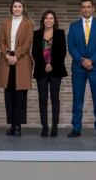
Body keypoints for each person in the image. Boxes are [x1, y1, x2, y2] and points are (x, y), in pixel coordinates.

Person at [67, 0, 96, 138]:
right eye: (83, 7)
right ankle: (76, 128)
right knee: (77, 98)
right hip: (79, 67)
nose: (86, 9)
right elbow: (71, 46)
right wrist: (82, 60)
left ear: (93, 8)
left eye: (89, 7)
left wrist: (91, 60)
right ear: (80, 9)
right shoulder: (73, 26)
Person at [0, 0, 34, 137]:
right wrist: (7, 55)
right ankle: (11, 125)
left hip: (21, 61)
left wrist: (15, 55)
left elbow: (28, 43)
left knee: (20, 96)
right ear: (11, 8)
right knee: (9, 95)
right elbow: (2, 41)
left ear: (23, 8)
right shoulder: (6, 22)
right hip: (7, 62)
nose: (17, 8)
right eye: (15, 6)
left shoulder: (28, 23)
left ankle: (17, 126)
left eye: (19, 6)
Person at [31, 9, 67, 137]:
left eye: (51, 18)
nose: (49, 20)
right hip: (41, 70)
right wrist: (45, 65)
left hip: (56, 70)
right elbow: (34, 52)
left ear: (54, 20)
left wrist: (51, 65)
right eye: (46, 18)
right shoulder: (36, 34)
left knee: (55, 99)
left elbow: (62, 52)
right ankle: (45, 127)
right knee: (42, 99)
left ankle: (54, 127)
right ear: (43, 20)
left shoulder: (60, 33)